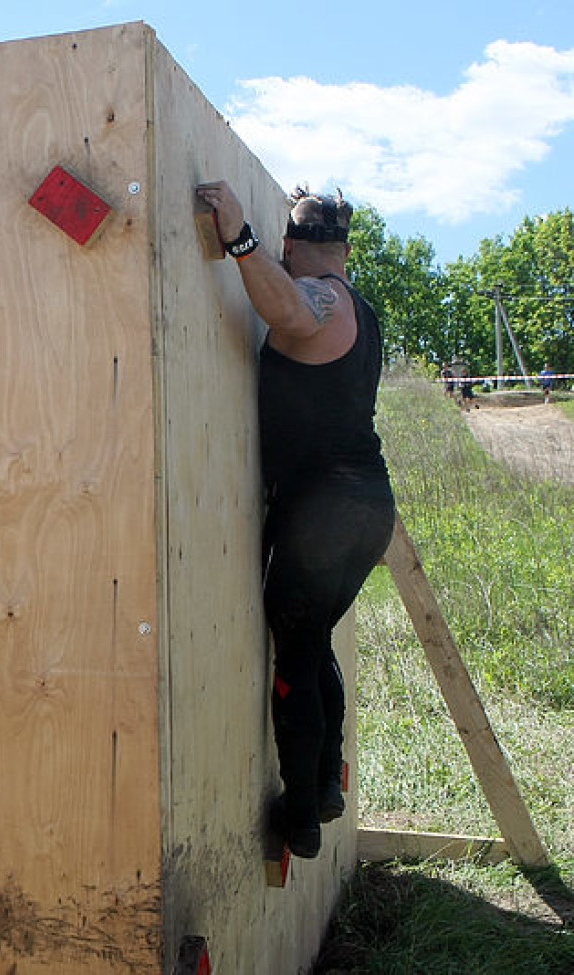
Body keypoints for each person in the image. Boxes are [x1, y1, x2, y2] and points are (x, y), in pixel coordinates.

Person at [194, 181, 395, 859]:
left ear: (293, 247)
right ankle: (326, 785)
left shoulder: (327, 298)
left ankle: (302, 815)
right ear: (342, 247)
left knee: (296, 659)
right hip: (363, 507)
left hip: (324, 510)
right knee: (312, 647)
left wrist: (240, 241)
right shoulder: (361, 306)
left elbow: (293, 311)